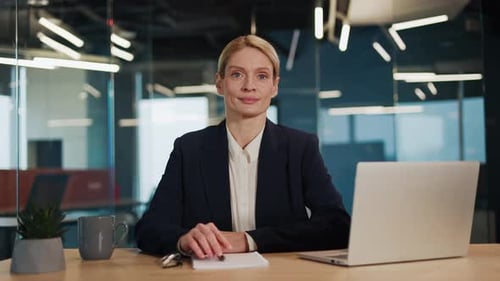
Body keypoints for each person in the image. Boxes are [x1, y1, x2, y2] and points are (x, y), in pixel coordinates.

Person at [135, 34, 350, 259]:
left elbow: (336, 225)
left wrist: (248, 240)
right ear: (220, 83)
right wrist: (183, 240)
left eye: (262, 76)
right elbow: (149, 229)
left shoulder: (301, 148)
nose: (249, 86)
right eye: (237, 74)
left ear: (274, 86)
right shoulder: (189, 149)